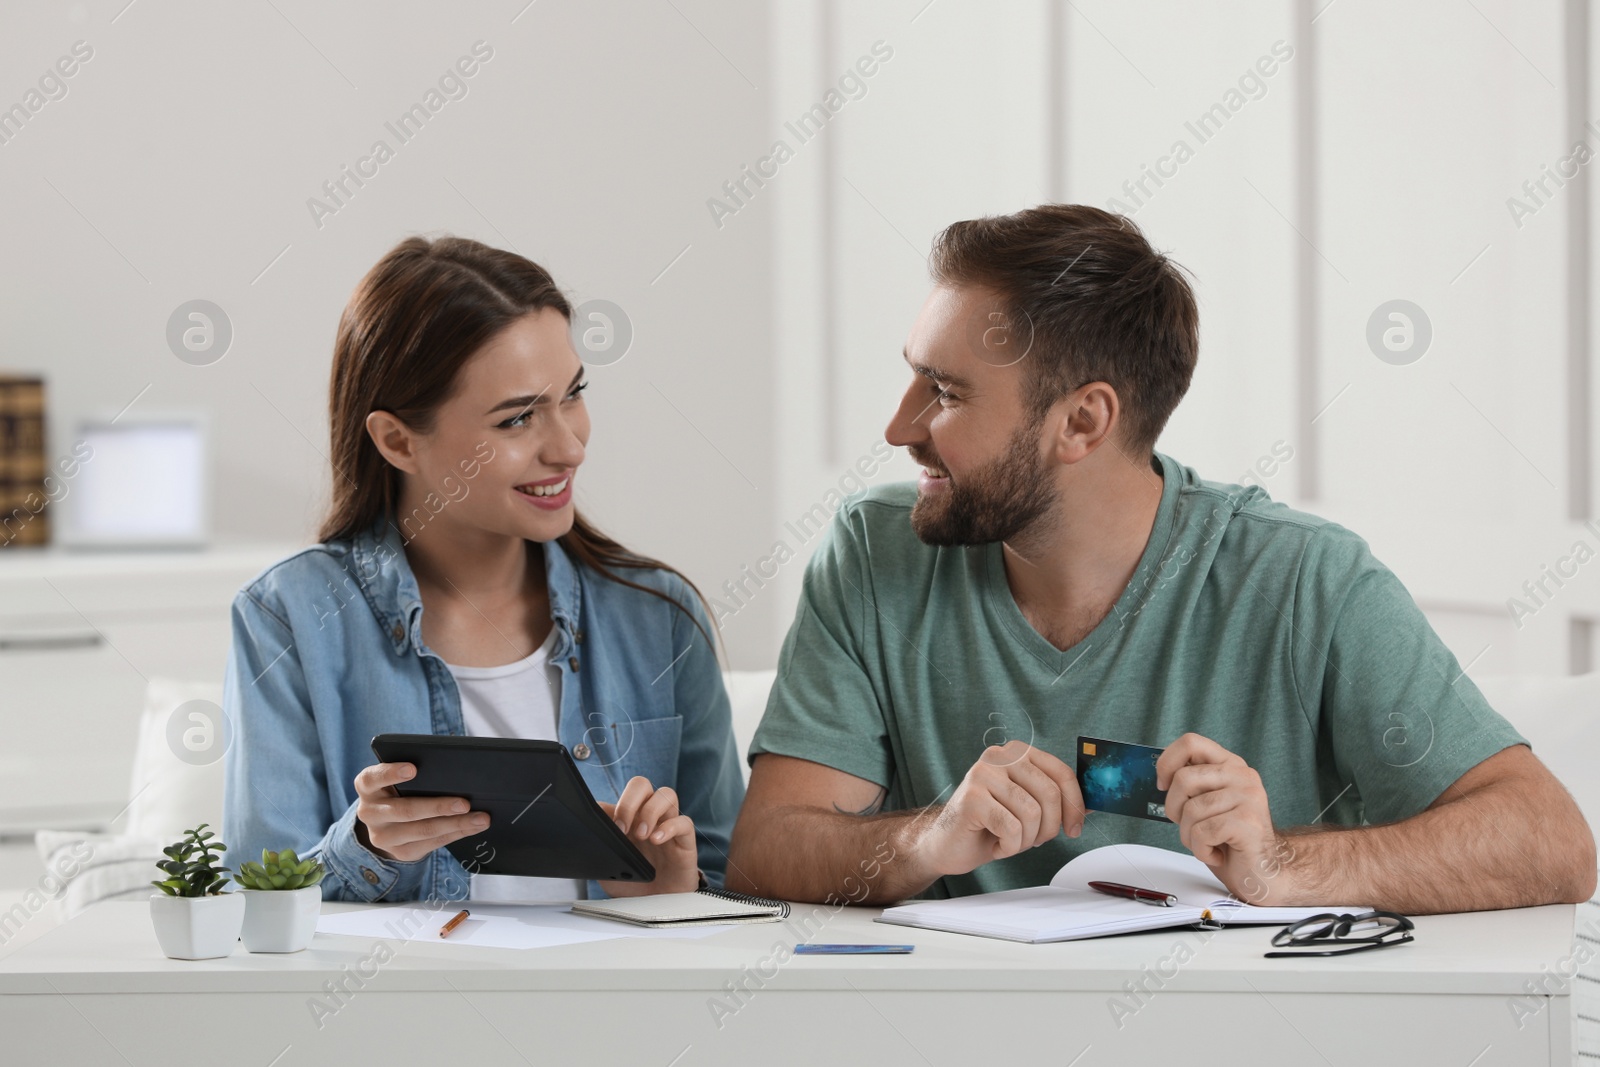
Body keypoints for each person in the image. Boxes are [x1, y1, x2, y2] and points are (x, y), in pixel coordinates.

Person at [727, 204, 1597, 913]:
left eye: (946, 393)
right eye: (917, 378)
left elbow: (1550, 842)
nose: (899, 428)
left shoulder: (1306, 580)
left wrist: (1282, 863)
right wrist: (928, 838)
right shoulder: (874, 552)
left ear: (1082, 422)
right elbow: (766, 852)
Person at [223, 236, 743, 902]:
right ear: (397, 440)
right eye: (518, 418)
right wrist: (366, 846)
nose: (569, 445)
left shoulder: (659, 617)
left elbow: (736, 891)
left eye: (573, 394)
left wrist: (673, 888)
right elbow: (259, 906)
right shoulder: (288, 619)